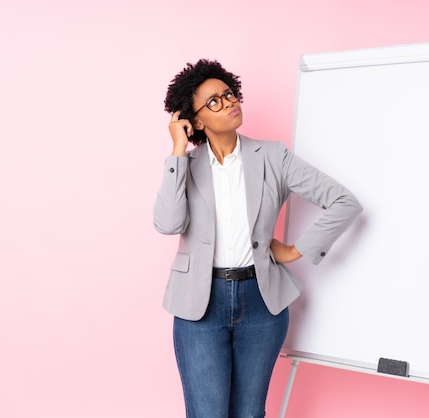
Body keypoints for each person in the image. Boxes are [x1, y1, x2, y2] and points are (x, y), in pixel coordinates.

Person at [153, 59, 362, 418]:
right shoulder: (185, 165)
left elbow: (344, 202)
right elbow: (168, 223)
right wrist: (177, 151)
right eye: (214, 101)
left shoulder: (273, 157)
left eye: (229, 94)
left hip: (261, 301)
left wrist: (298, 249)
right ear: (196, 120)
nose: (229, 102)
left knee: (250, 413)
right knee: (207, 413)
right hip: (199, 304)